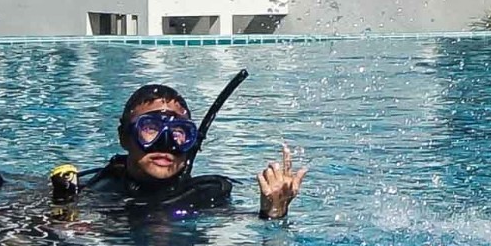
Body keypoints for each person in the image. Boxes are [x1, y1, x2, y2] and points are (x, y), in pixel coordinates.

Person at [55, 81, 305, 218]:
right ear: (124, 138)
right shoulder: (87, 188)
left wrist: (274, 211)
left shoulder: (207, 195)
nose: (167, 144)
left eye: (179, 132)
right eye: (150, 128)